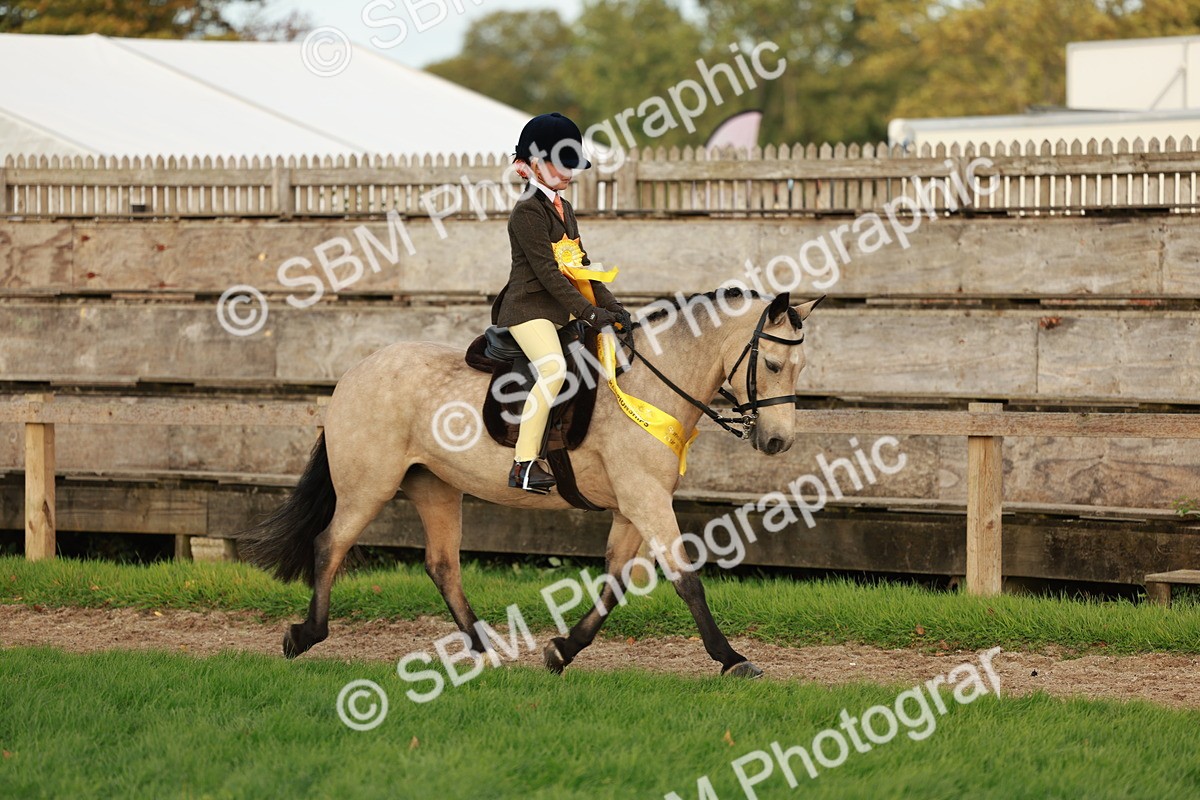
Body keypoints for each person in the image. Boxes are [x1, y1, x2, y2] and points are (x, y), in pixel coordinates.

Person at [491, 112, 629, 494]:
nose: (570, 172)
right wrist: (589, 312)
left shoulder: (564, 209)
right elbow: (551, 275)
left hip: (562, 309)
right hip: (528, 309)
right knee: (552, 369)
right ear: (534, 164)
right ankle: (523, 465)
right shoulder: (527, 213)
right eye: (561, 163)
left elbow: (580, 268)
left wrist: (614, 308)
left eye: (573, 163)